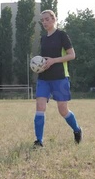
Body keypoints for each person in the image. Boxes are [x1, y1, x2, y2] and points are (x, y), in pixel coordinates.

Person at [33, 10, 82, 147]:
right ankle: (39, 141)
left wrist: (54, 61)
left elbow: (71, 55)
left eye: (47, 19)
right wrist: (39, 64)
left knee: (62, 109)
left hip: (60, 77)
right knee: (40, 106)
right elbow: (45, 59)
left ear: (54, 19)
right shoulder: (43, 38)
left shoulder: (62, 35)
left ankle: (77, 130)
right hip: (43, 78)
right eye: (42, 20)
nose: (44, 22)